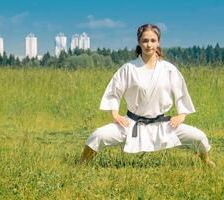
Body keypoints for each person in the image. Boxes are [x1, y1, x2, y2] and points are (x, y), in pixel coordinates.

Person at [79, 24, 215, 167]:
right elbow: (114, 92)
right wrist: (115, 115)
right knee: (98, 135)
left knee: (199, 137)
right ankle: (80, 165)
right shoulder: (129, 68)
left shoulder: (169, 69)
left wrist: (181, 115)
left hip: (162, 125)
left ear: (158, 42)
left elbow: (181, 94)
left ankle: (206, 162)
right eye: (145, 41)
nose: (149, 45)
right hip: (132, 124)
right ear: (139, 42)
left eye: (152, 40)